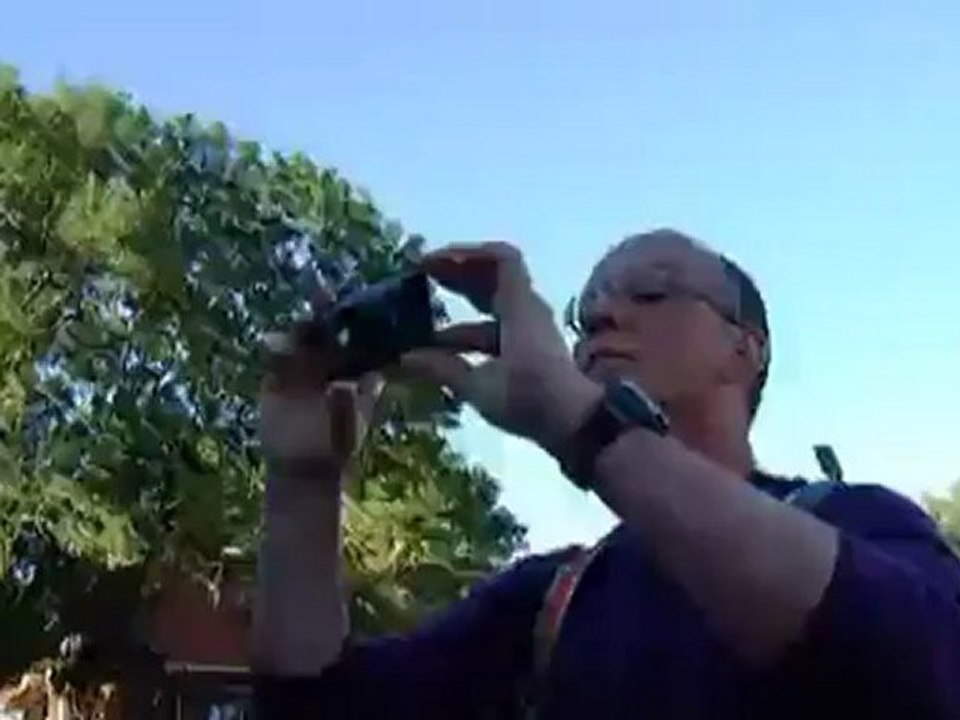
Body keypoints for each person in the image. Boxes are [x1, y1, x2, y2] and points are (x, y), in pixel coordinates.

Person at [251, 229, 960, 718]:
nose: (599, 316)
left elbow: (925, 670)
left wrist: (579, 422)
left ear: (745, 350)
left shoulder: (859, 522)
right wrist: (301, 486)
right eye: (582, 312)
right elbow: (316, 706)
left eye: (650, 293)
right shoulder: (552, 599)